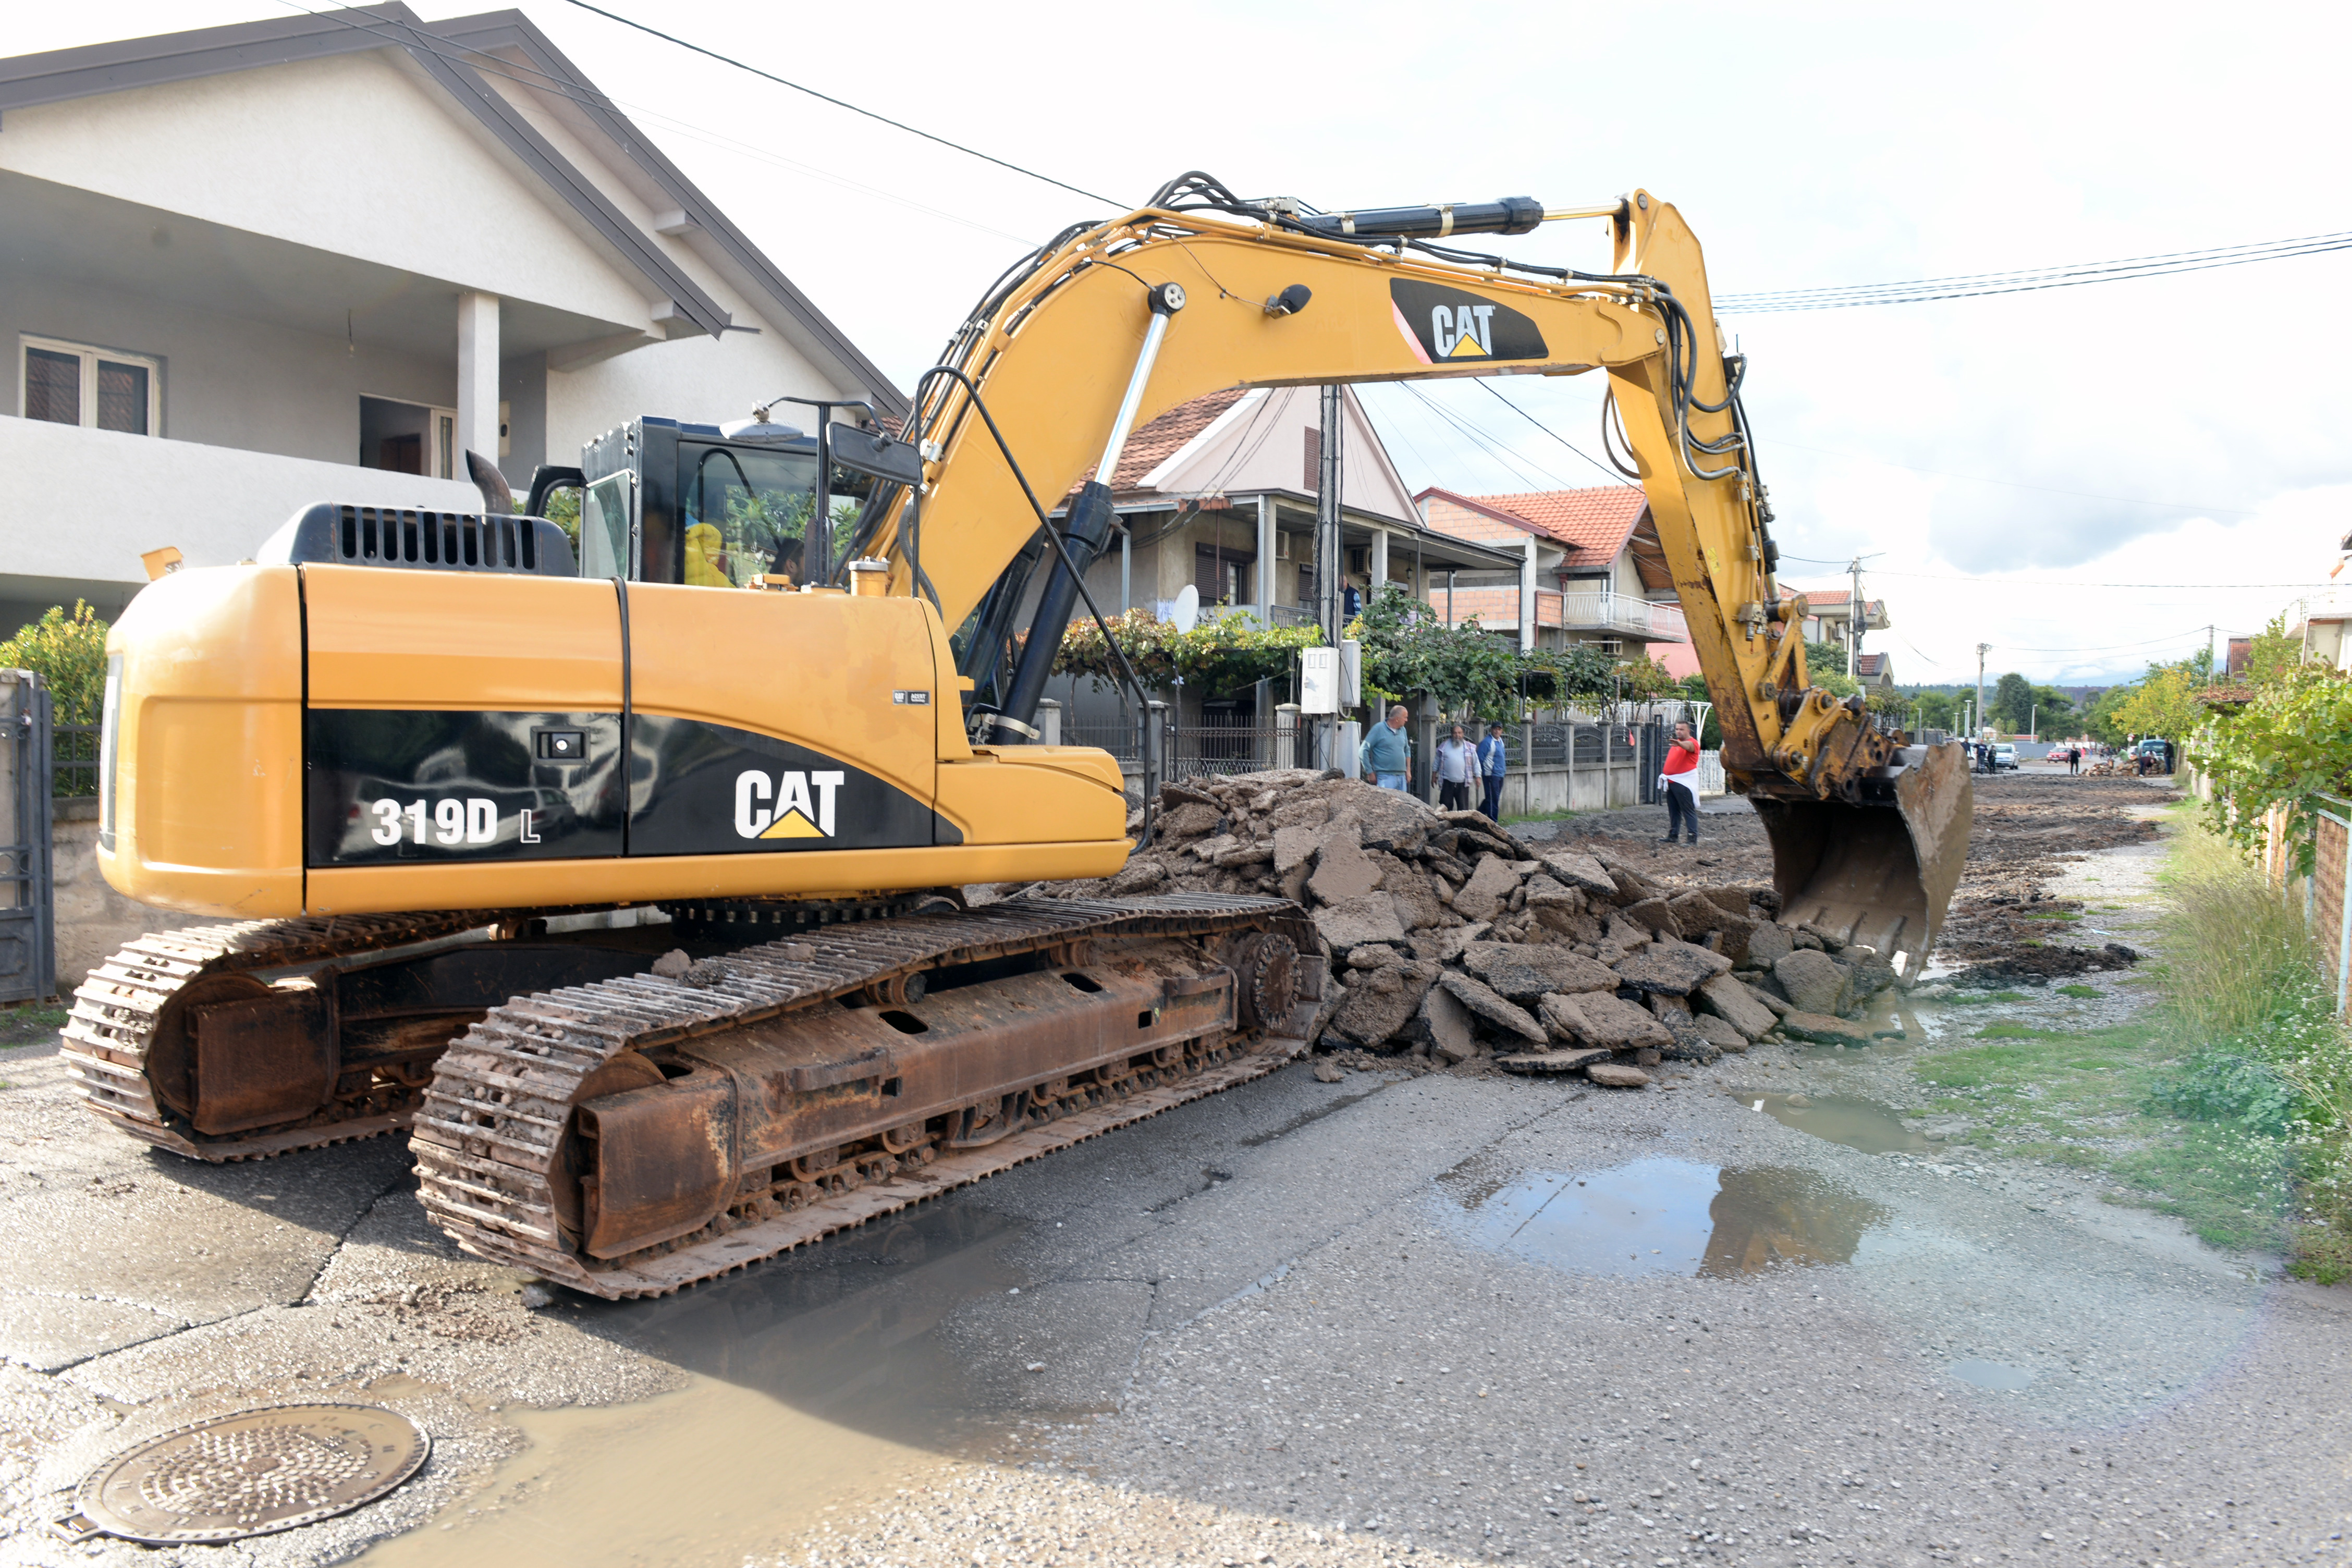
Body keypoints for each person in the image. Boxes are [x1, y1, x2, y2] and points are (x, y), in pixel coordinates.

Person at [1659, 718, 1701, 845]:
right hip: (1672, 781)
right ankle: (1673, 835)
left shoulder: (1692, 743)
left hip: (1684, 783)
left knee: (1688, 810)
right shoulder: (1676, 744)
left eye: (1682, 730)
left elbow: (1688, 746)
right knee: (1674, 810)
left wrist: (1680, 744)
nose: (1679, 732)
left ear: (1688, 731)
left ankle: (1692, 838)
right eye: (1677, 729)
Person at [1359, 703, 1412, 791]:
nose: (1407, 720)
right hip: (1385, 777)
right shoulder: (1379, 729)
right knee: (1387, 804)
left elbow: (1407, 750)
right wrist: (1370, 772)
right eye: (1405, 717)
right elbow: (1363, 751)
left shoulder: (1403, 730)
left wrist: (1408, 770)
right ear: (1397, 719)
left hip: (1402, 777)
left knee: (1403, 804)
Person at [1435, 723, 1475, 810]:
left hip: (1463, 783)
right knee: (1445, 808)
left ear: (1463, 734)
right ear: (1451, 734)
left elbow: (1476, 763)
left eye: (1460, 733)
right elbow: (1437, 761)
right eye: (1455, 733)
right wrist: (1433, 775)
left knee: (1463, 809)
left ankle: (1461, 824)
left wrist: (1478, 776)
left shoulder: (1469, 747)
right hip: (1447, 783)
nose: (1457, 735)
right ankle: (1444, 824)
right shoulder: (1444, 746)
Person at [1477, 721, 1509, 823]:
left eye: (1499, 729)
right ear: (1491, 729)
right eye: (1495, 729)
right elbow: (1479, 758)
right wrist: (1479, 773)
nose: (1497, 731)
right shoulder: (1487, 742)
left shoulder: (1500, 741)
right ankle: (1493, 822)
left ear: (1502, 731)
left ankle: (1478, 816)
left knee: (1491, 799)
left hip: (1500, 774)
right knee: (1493, 800)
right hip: (1490, 775)